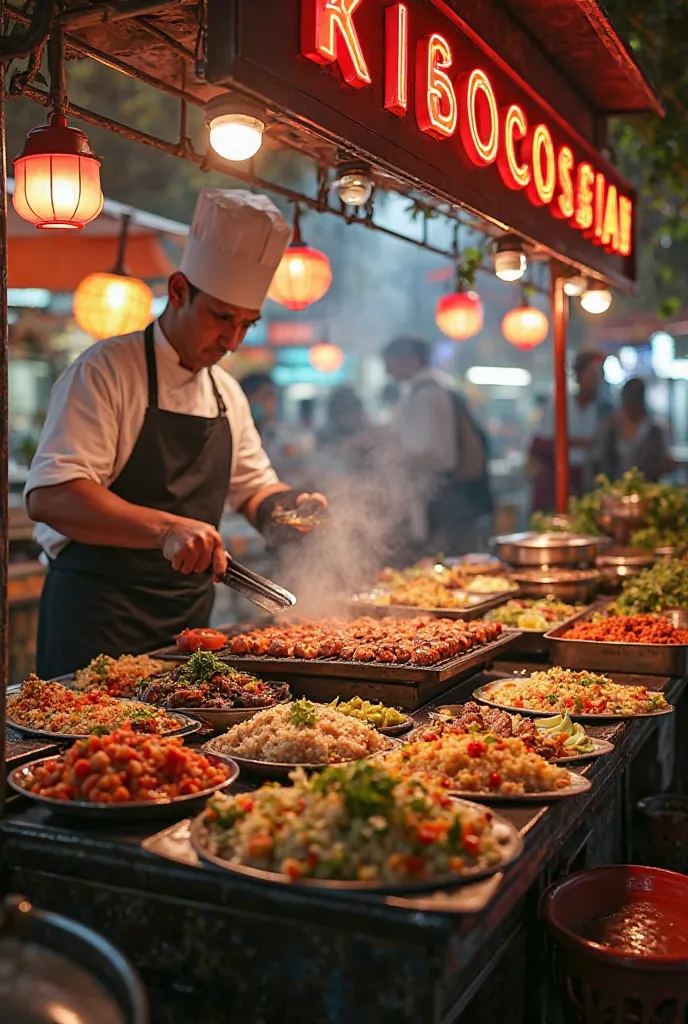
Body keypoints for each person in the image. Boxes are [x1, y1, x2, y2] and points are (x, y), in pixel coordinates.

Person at [26, 189, 326, 677]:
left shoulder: (226, 391)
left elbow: (254, 489)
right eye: (222, 318)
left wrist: (291, 513)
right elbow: (52, 496)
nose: (232, 341)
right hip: (98, 622)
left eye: (246, 324)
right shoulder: (106, 370)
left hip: (189, 629)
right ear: (179, 290)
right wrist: (167, 528)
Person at [382, 335, 492, 557]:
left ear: (412, 360)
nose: (387, 370)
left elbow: (425, 448)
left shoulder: (426, 394)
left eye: (390, 362)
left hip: (440, 492)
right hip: (442, 489)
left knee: (443, 557)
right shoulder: (434, 388)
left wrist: (390, 451)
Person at [530, 350, 609, 510]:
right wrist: (578, 443)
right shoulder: (559, 403)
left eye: (599, 373)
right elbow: (543, 441)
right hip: (556, 477)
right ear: (579, 374)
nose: (595, 378)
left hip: (587, 480)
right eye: (591, 372)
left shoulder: (602, 410)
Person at [594, 377, 673, 482]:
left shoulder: (654, 431)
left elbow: (664, 463)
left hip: (646, 490)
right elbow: (600, 461)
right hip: (614, 491)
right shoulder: (611, 429)